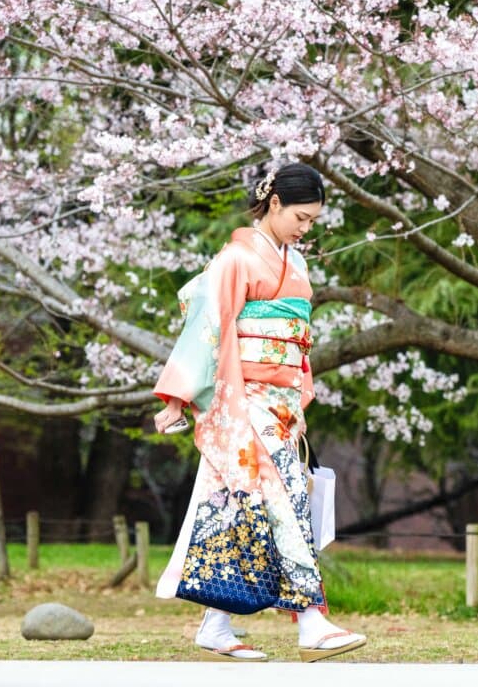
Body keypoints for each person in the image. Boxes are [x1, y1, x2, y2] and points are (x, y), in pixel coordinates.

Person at [152, 163, 367, 663]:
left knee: (234, 506)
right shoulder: (235, 259)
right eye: (301, 217)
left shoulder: (295, 263)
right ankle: (310, 619)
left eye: (313, 221)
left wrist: (298, 401)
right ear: (274, 205)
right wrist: (178, 398)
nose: (305, 228)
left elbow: (299, 340)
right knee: (284, 498)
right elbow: (208, 325)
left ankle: (215, 623)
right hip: (245, 399)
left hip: (281, 404)